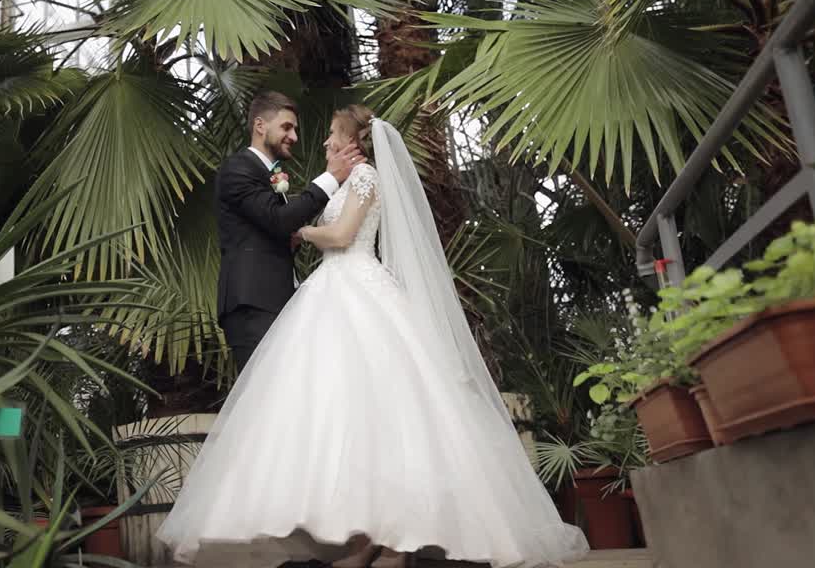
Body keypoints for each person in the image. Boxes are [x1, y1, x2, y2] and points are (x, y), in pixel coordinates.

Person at [158, 105, 589, 568]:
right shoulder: (339, 180)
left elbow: (343, 236)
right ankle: (368, 540)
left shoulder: (365, 179)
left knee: (387, 412)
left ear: (351, 142)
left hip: (355, 285)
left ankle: (390, 544)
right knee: (348, 413)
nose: (321, 143)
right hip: (330, 290)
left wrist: (301, 230)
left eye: (329, 135)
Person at [214, 91, 364, 372]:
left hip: (279, 300)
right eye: (286, 127)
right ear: (260, 126)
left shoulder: (268, 173)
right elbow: (279, 220)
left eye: (294, 129)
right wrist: (331, 178)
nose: (294, 136)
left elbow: (273, 226)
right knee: (265, 398)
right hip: (253, 304)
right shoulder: (238, 168)